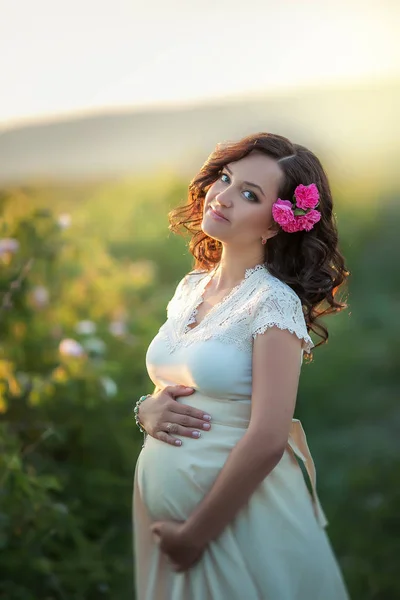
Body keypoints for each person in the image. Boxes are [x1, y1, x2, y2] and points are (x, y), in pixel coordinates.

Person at [132, 132, 351, 599]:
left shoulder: (272, 303)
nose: (224, 197)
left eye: (249, 194)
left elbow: (269, 437)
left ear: (276, 225)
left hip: (238, 524)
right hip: (174, 527)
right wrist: (146, 411)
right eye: (227, 179)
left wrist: (194, 536)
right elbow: (184, 382)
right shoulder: (192, 288)